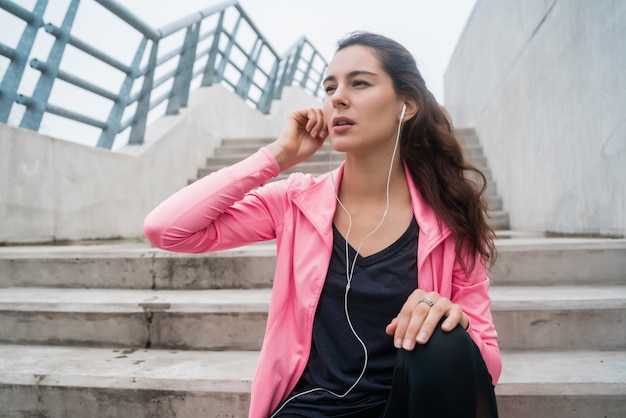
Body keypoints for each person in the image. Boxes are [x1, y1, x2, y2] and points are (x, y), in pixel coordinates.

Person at [144, 31, 501, 418]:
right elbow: (166, 229)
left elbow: (487, 366)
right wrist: (277, 157)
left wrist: (450, 315)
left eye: (359, 83)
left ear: (407, 105)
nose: (337, 97)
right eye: (329, 87)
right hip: (311, 409)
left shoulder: (451, 218)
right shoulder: (294, 201)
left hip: (406, 406)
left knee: (444, 339)